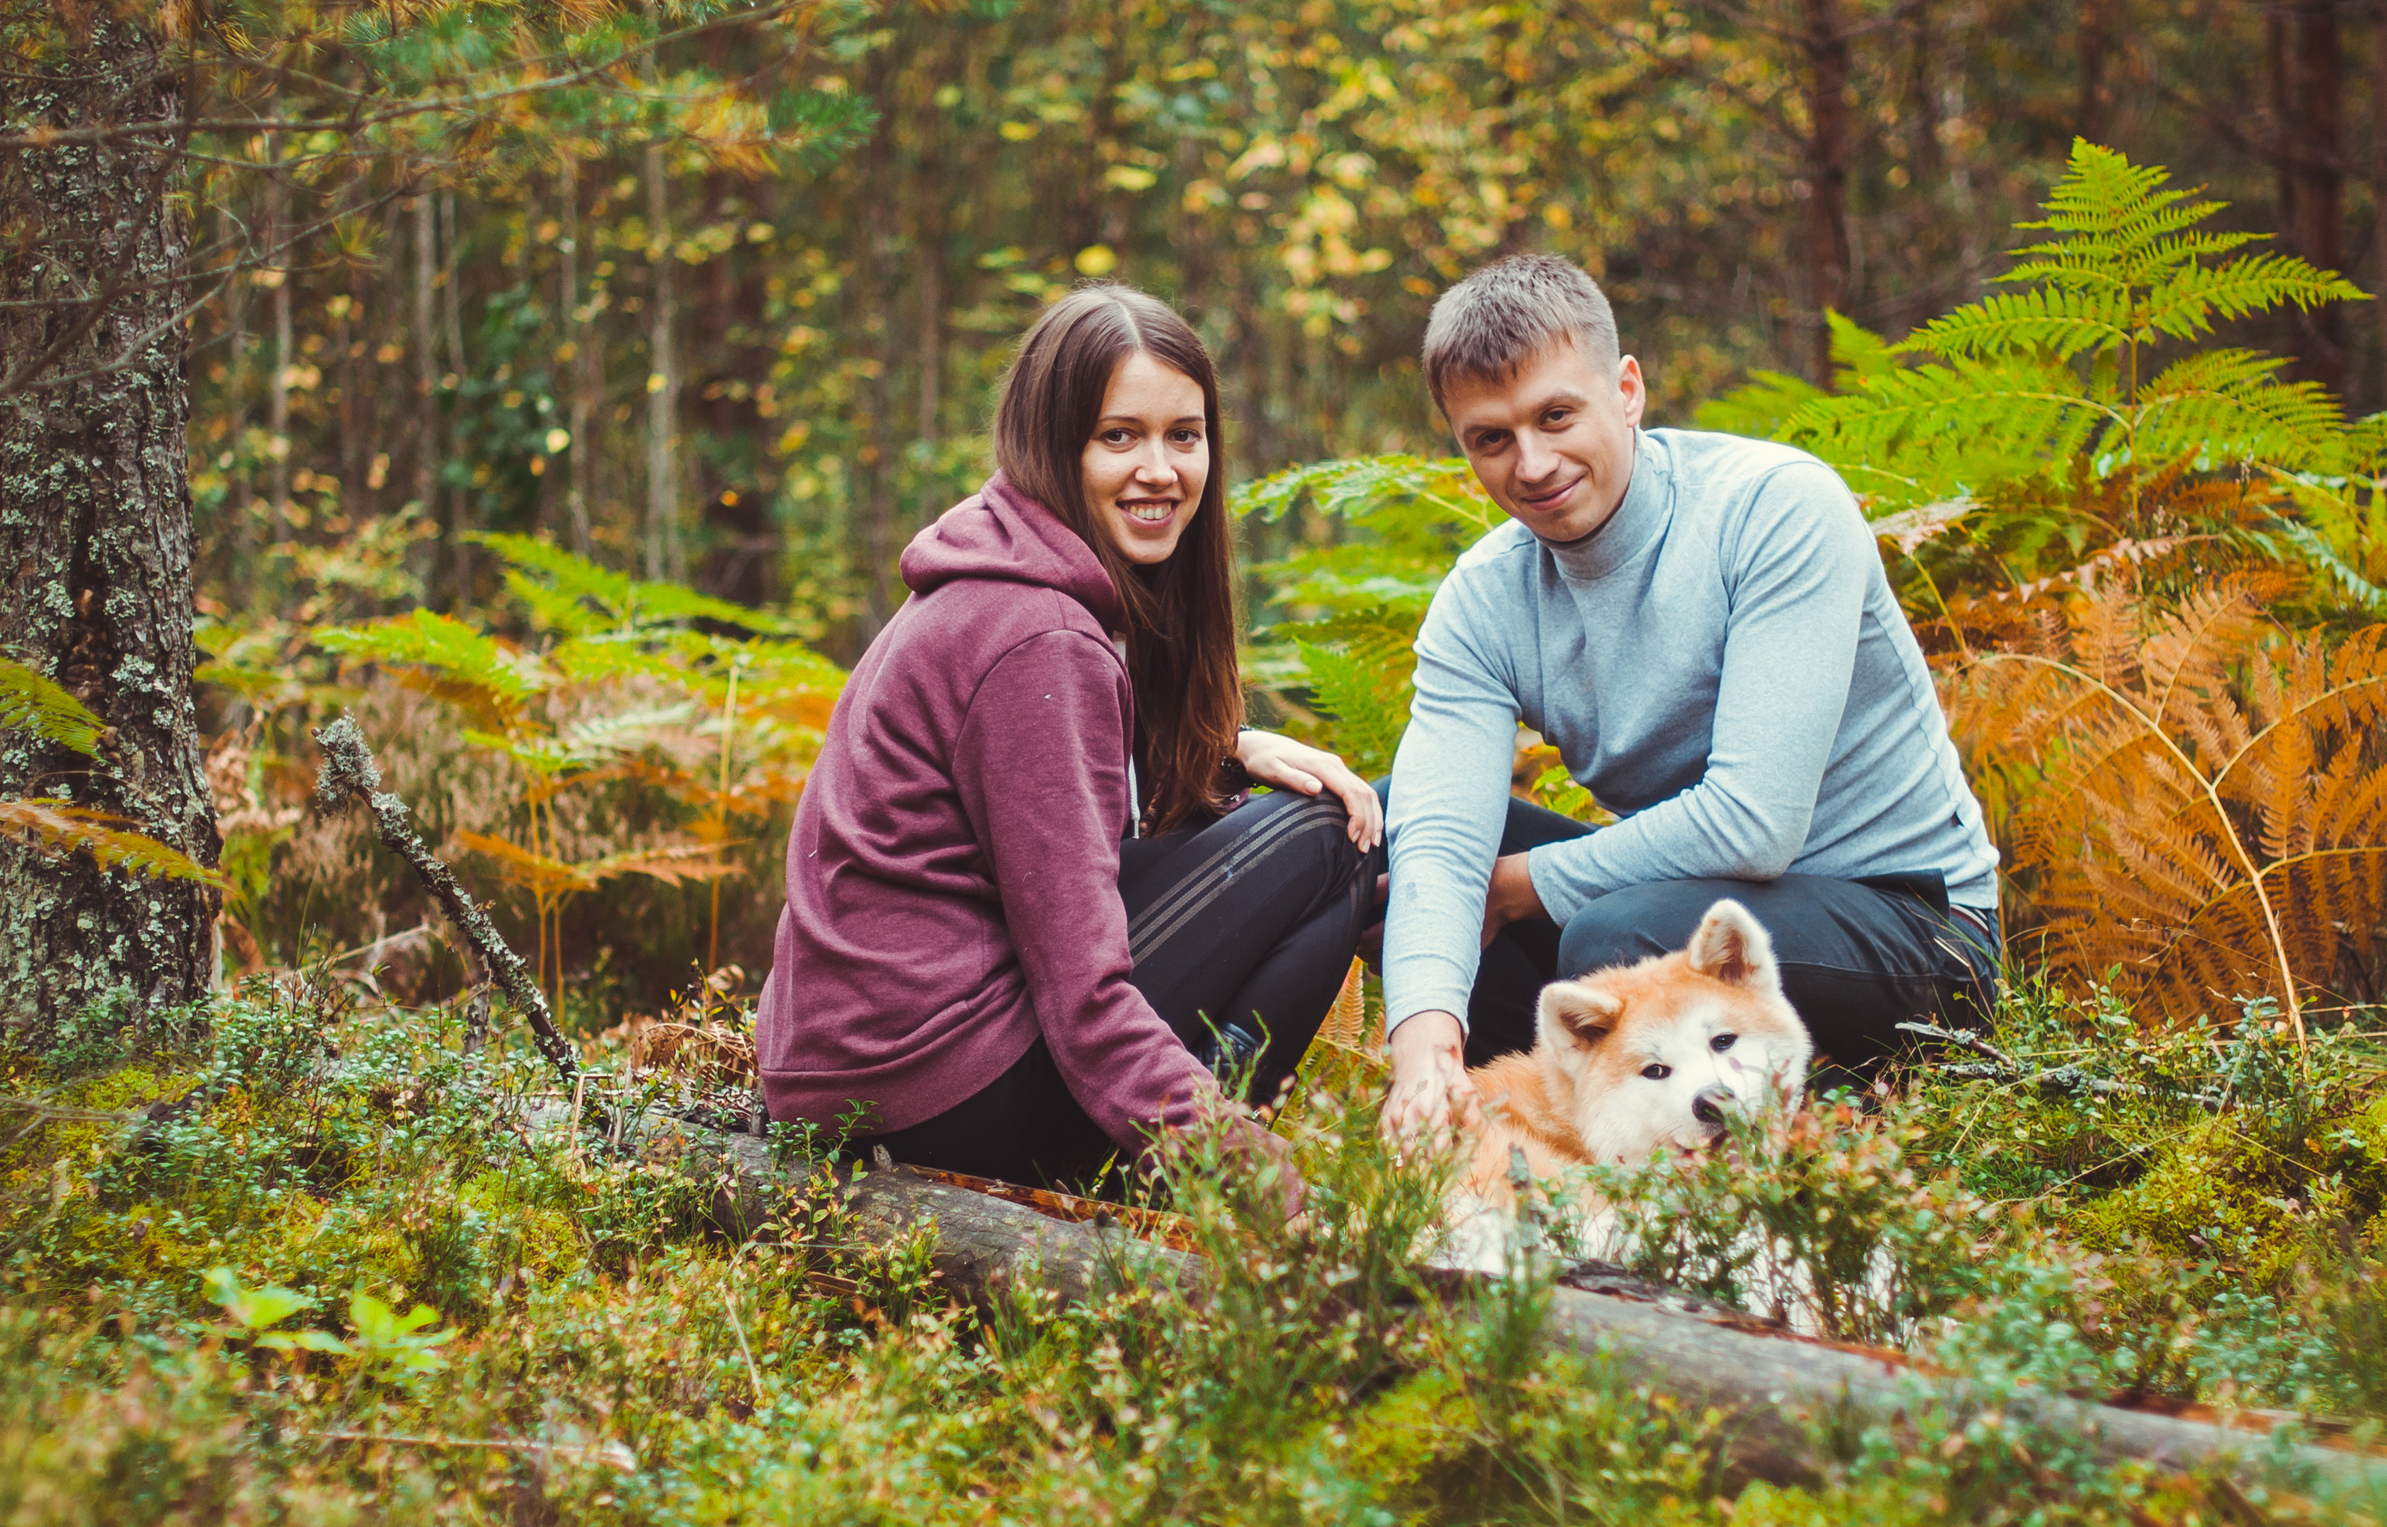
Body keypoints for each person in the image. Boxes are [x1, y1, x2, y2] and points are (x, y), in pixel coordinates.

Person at [758, 285, 1384, 1203]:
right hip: (935, 1083)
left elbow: (1063, 806)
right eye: (1118, 436)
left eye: (1184, 435)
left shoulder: (998, 581)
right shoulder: (1040, 637)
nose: (1160, 470)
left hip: (864, 1065)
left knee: (1345, 838)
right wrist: (1259, 1184)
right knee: (1332, 835)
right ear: (1053, 444)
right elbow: (1084, 992)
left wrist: (1229, 748)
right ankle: (1188, 1179)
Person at [1377, 253, 2002, 1142]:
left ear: (1627, 390)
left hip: (1913, 924)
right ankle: (1477, 1124)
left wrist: (1517, 885)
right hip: (1703, 924)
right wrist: (1423, 1045)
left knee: (1618, 938)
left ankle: (1796, 1134)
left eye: (1557, 415)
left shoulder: (1772, 509)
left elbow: (1754, 820)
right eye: (1491, 439)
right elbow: (1441, 838)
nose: (1533, 463)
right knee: (1390, 837)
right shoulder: (1486, 599)